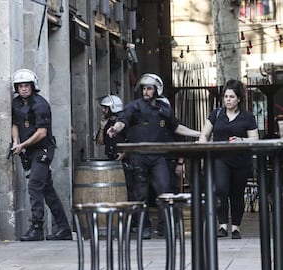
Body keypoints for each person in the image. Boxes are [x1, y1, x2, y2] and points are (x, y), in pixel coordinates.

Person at [107, 73, 200, 239]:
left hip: (159, 158)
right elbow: (122, 120)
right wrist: (115, 129)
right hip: (139, 157)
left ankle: (164, 227)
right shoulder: (134, 107)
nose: (145, 91)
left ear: (157, 90)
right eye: (144, 88)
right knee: (140, 195)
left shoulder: (164, 109)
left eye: (149, 88)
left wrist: (198, 134)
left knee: (164, 191)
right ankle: (144, 228)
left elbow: (176, 127)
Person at [10, 69, 72, 241]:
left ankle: (37, 227)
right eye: (20, 86)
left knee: (34, 186)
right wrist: (16, 142)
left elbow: (42, 133)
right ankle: (64, 228)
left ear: (33, 86)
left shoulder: (40, 104)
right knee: (47, 190)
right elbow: (14, 123)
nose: (23, 89)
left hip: (43, 150)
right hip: (29, 151)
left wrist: (22, 144)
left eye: (26, 86)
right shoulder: (16, 104)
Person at [199, 79, 259, 239]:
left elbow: (255, 139)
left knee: (237, 193)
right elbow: (204, 134)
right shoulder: (216, 114)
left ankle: (236, 227)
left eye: (231, 97)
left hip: (241, 160)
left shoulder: (247, 117)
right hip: (220, 158)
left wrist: (241, 140)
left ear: (239, 98)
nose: (228, 100)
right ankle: (223, 225)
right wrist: (202, 148)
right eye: (226, 96)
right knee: (221, 189)